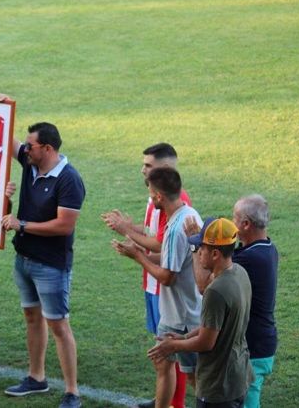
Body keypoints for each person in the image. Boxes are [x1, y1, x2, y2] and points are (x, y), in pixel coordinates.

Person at [1, 121, 86, 408]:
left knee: (59, 325)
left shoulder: (69, 179)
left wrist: (21, 224)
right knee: (32, 318)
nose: (24, 149)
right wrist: (1, 112)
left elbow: (64, 225)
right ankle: (36, 377)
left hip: (51, 264)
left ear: (47, 148)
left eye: (30, 146)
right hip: (24, 259)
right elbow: (7, 140)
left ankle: (72, 392)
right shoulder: (30, 163)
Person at [101, 143, 191, 408]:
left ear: (164, 169)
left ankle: (175, 403)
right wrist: (130, 228)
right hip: (151, 282)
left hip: (164, 285)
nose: (143, 170)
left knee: (169, 351)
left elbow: (163, 243)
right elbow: (153, 232)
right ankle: (164, 397)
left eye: (148, 165)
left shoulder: (175, 201)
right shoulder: (157, 196)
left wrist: (129, 239)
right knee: (163, 352)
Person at [149, 218, 254, 407]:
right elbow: (214, 326)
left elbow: (206, 342)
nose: (197, 253)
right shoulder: (240, 273)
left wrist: (172, 346)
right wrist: (183, 337)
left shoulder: (215, 291)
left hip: (218, 386)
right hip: (238, 376)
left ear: (214, 253)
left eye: (200, 248)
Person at [186, 195, 278, 408]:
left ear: (246, 224)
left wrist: (195, 245)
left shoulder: (247, 260)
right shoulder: (266, 249)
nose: (231, 222)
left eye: (234, 218)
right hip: (261, 342)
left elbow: (203, 284)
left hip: (253, 348)